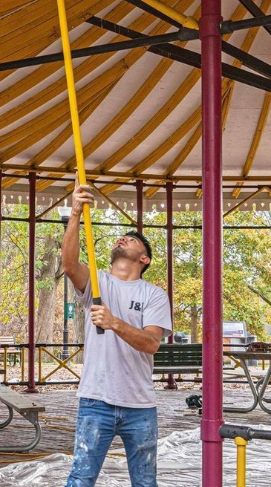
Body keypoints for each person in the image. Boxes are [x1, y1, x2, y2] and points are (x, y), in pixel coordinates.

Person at [62, 185, 172, 487]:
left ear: (144, 259)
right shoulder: (98, 282)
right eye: (123, 237)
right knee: (81, 479)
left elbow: (151, 343)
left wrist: (114, 322)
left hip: (140, 404)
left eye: (133, 239)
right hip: (96, 399)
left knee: (145, 483)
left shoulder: (154, 295)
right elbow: (70, 265)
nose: (124, 238)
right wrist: (74, 212)